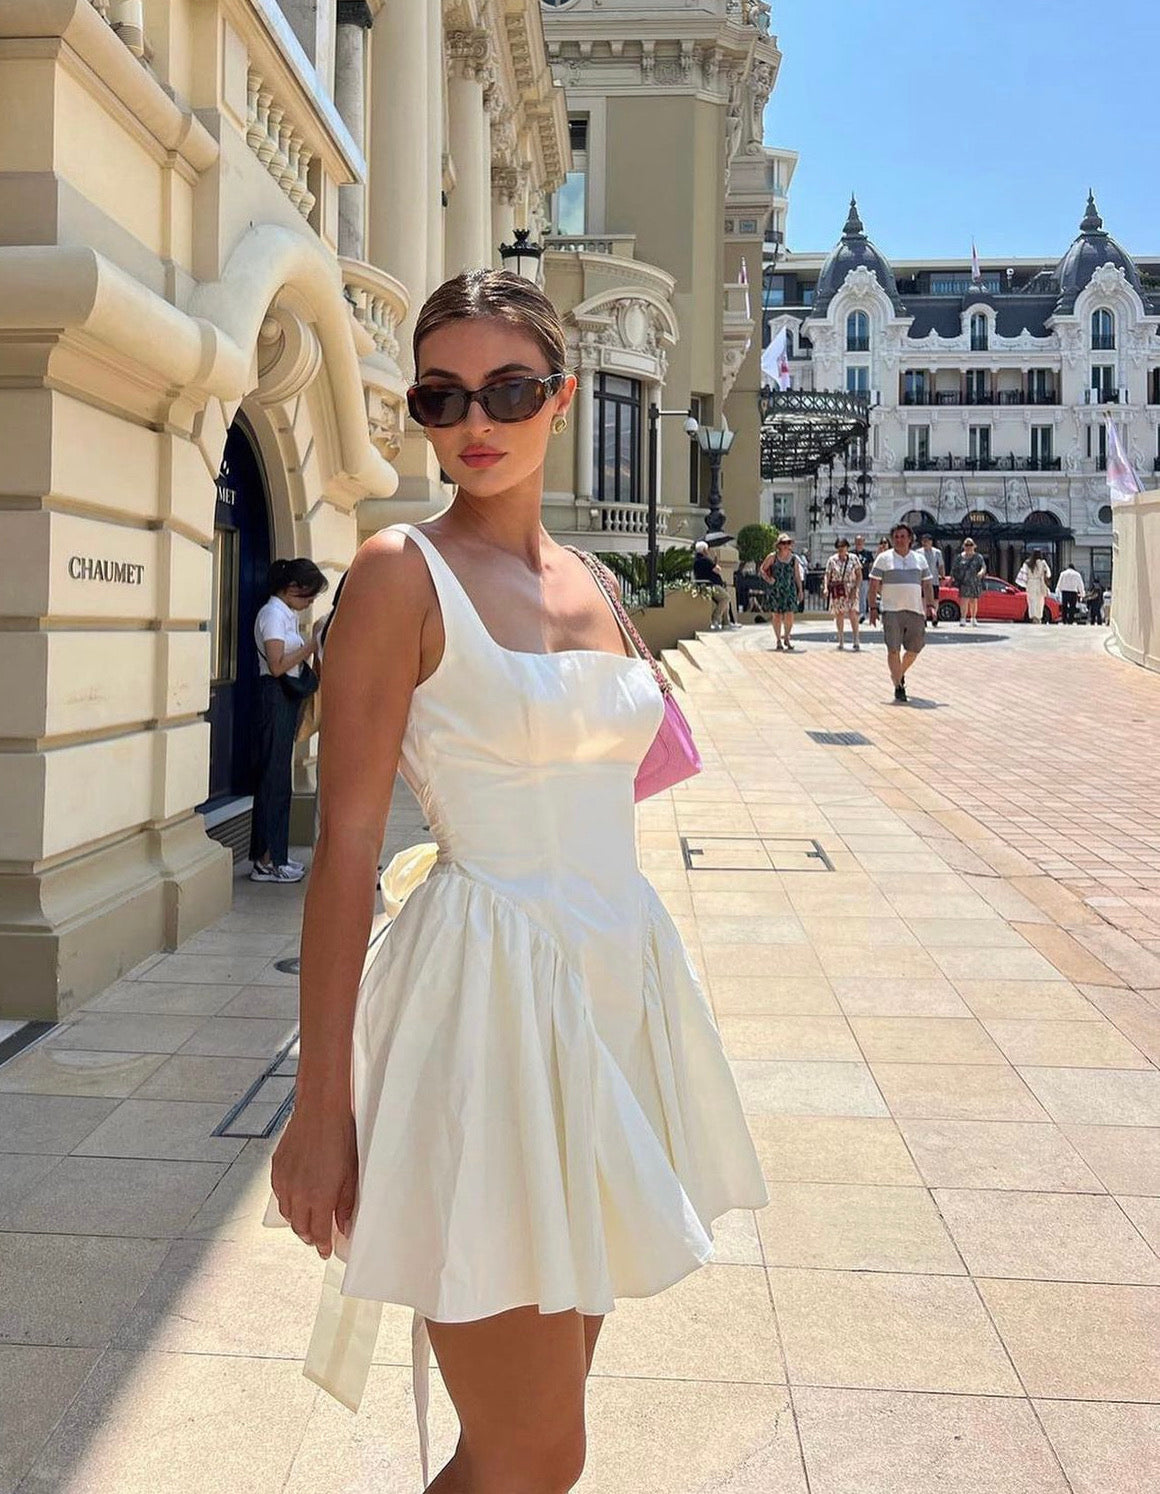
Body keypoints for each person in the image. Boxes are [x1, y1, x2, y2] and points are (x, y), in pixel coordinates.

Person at [269, 269, 767, 1493]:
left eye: (507, 389)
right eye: (439, 397)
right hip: (483, 1008)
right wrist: (320, 1104)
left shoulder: (595, 581)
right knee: (538, 1452)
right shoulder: (398, 570)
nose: (472, 422)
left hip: (613, 989)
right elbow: (345, 852)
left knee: (519, 1448)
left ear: (562, 396)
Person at [250, 558, 328, 883]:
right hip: (274, 697)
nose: (309, 603)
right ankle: (267, 861)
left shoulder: (285, 615)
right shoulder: (272, 614)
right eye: (308, 596)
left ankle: (277, 856)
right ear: (292, 587)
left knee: (281, 779)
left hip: (283, 699)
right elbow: (277, 664)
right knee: (273, 779)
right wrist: (311, 645)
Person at [868, 521, 934, 704]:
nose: (899, 540)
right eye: (896, 537)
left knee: (914, 649)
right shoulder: (883, 559)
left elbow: (927, 584)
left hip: (915, 610)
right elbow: (873, 585)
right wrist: (873, 608)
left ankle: (899, 673)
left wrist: (930, 605)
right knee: (893, 649)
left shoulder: (919, 559)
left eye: (903, 536)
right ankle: (898, 687)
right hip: (891, 611)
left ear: (910, 539)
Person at [759, 532, 805, 650]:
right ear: (779, 545)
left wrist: (800, 590)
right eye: (784, 543)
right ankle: (778, 640)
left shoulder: (794, 559)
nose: (786, 545)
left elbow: (797, 575)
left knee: (790, 615)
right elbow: (762, 570)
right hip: (776, 590)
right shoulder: (772, 557)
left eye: (788, 543)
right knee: (777, 616)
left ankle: (787, 637)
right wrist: (769, 579)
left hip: (790, 590)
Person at [825, 536, 863, 651]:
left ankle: (856, 639)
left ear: (847, 547)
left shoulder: (853, 558)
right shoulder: (832, 560)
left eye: (843, 546)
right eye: (839, 546)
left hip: (851, 588)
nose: (841, 549)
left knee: (853, 614)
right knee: (839, 614)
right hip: (838, 589)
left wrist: (856, 588)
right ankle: (841, 640)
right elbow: (827, 574)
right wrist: (826, 588)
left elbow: (859, 575)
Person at [693, 539, 732, 630]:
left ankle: (726, 623)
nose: (708, 551)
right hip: (712, 585)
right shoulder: (705, 560)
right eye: (707, 549)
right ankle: (715, 619)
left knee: (724, 601)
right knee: (726, 598)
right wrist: (715, 562)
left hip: (706, 585)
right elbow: (717, 570)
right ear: (704, 550)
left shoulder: (696, 560)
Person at [951, 538, 986, 628]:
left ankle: (973, 618)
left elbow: (983, 567)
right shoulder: (959, 557)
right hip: (964, 582)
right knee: (964, 600)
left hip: (974, 582)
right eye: (967, 545)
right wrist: (954, 578)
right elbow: (954, 569)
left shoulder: (978, 557)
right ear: (963, 546)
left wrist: (981, 573)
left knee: (973, 601)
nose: (969, 547)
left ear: (974, 546)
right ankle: (963, 618)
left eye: (970, 545)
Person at [1017, 549, 1052, 624]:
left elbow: (1023, 575)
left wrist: (1024, 584)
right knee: (1040, 601)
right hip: (1039, 583)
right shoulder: (1043, 563)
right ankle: (1039, 617)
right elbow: (1049, 574)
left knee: (1031, 601)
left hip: (1030, 583)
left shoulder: (1027, 563)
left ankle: (1033, 617)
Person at [919, 533, 946, 627]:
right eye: (923, 541)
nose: (925, 543)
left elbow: (941, 565)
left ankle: (934, 616)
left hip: (934, 579)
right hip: (922, 580)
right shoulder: (918, 552)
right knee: (923, 599)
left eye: (926, 541)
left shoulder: (937, 552)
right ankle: (924, 617)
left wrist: (942, 576)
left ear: (931, 542)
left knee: (935, 599)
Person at [853, 533, 875, 619]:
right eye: (857, 541)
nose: (859, 543)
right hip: (853, 578)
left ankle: (862, 613)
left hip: (864, 578)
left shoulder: (868, 553)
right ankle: (854, 612)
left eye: (860, 541)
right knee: (854, 596)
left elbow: (871, 565)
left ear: (863, 542)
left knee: (862, 596)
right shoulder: (851, 553)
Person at [1057, 559, 1086, 624]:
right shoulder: (1077, 574)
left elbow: (1059, 583)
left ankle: (1064, 620)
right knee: (1072, 607)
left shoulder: (1063, 573)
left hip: (1065, 592)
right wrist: (1082, 593)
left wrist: (1058, 591)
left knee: (1064, 607)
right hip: (1073, 592)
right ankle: (1071, 620)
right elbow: (1080, 585)